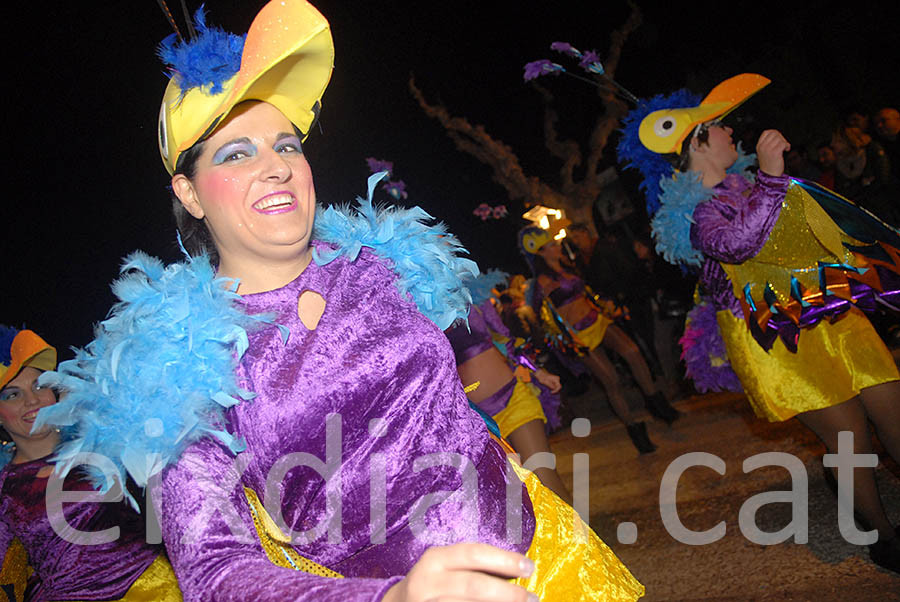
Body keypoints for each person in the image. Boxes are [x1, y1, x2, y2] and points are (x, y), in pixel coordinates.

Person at [36, 2, 644, 601]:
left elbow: (450, 413)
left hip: (549, 559)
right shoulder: (176, 363)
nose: (274, 167)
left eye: (286, 144)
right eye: (236, 153)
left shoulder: (385, 265)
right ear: (189, 193)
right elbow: (215, 571)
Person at [617, 72, 900, 573]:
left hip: (830, 312)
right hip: (778, 335)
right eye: (722, 128)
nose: (732, 134)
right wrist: (773, 176)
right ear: (698, 142)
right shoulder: (695, 213)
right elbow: (736, 245)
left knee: (892, 410)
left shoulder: (745, 181)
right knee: (850, 439)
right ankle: (883, 536)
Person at [0, 326, 181, 601]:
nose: (33, 400)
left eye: (40, 385)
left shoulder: (104, 437)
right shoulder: (5, 488)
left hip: (155, 588)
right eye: (12, 394)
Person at [518, 226, 680, 455]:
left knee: (633, 353)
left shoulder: (567, 267)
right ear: (541, 253)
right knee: (611, 382)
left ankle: (657, 403)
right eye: (551, 245)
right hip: (579, 335)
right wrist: (568, 341)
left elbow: (587, 292)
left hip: (598, 320)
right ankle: (636, 431)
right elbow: (545, 321)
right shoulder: (542, 282)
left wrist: (604, 304)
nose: (557, 246)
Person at [444, 271, 570, 503]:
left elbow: (505, 341)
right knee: (518, 498)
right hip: (475, 420)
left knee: (544, 479)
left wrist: (538, 371)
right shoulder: (414, 312)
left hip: (513, 398)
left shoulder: (473, 291)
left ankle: (583, 538)